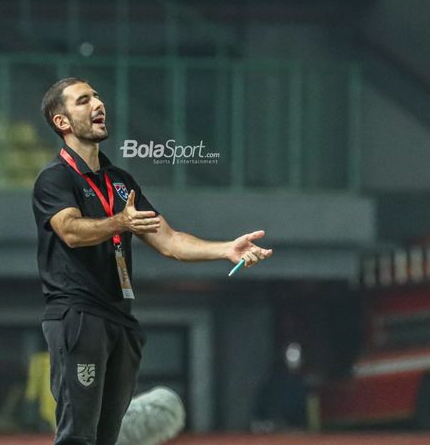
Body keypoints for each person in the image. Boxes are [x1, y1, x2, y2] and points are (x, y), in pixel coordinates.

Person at [32, 77, 273, 445]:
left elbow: (170, 240)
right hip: (78, 316)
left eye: (97, 96)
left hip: (120, 319)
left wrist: (225, 249)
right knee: (77, 437)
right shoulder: (54, 179)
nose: (98, 104)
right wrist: (120, 222)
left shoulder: (120, 182)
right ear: (62, 121)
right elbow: (70, 231)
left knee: (106, 439)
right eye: (84, 100)